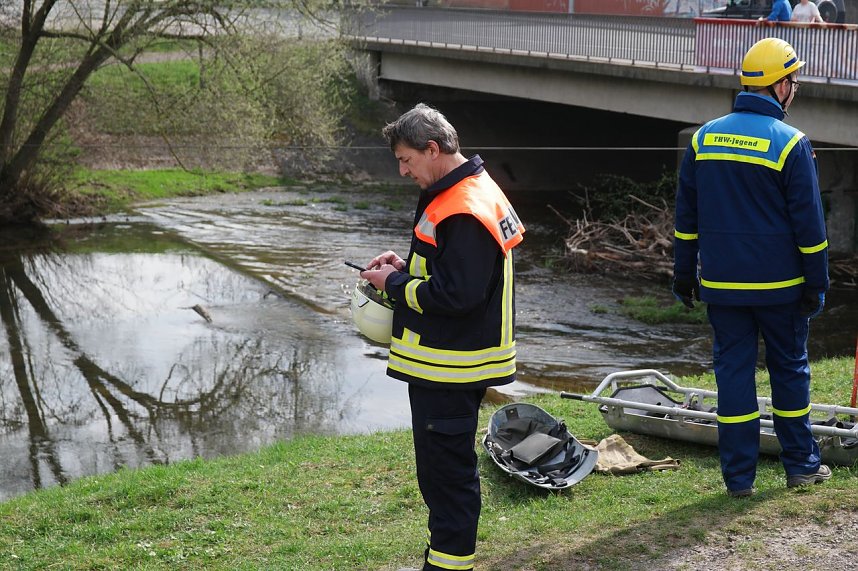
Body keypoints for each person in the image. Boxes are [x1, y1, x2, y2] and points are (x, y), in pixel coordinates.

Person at [360, 103, 525, 571]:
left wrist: (392, 286)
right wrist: (403, 267)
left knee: (446, 479)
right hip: (453, 362)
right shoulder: (466, 189)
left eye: (407, 159)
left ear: (433, 149)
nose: (402, 169)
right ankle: (445, 557)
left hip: (451, 366)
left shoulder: (464, 207)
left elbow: (457, 295)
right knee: (442, 475)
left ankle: (449, 566)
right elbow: (452, 270)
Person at [672, 38, 830, 497]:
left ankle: (738, 480)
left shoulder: (704, 138)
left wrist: (685, 277)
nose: (795, 87)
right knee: (789, 372)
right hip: (783, 289)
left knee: (734, 379)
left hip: (722, 288)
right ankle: (801, 465)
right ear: (779, 85)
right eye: (793, 80)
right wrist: (816, 285)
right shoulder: (792, 143)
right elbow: (811, 230)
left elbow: (687, 222)